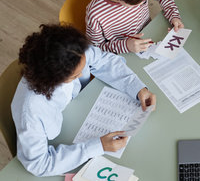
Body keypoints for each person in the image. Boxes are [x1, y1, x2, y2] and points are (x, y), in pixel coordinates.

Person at [11, 24, 157, 177]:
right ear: (53, 80)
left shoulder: (74, 50)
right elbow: (39, 164)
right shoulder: (31, 111)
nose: (81, 76)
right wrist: (97, 146)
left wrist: (137, 88)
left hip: (77, 112)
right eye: (74, 76)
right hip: (57, 140)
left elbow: (103, 61)